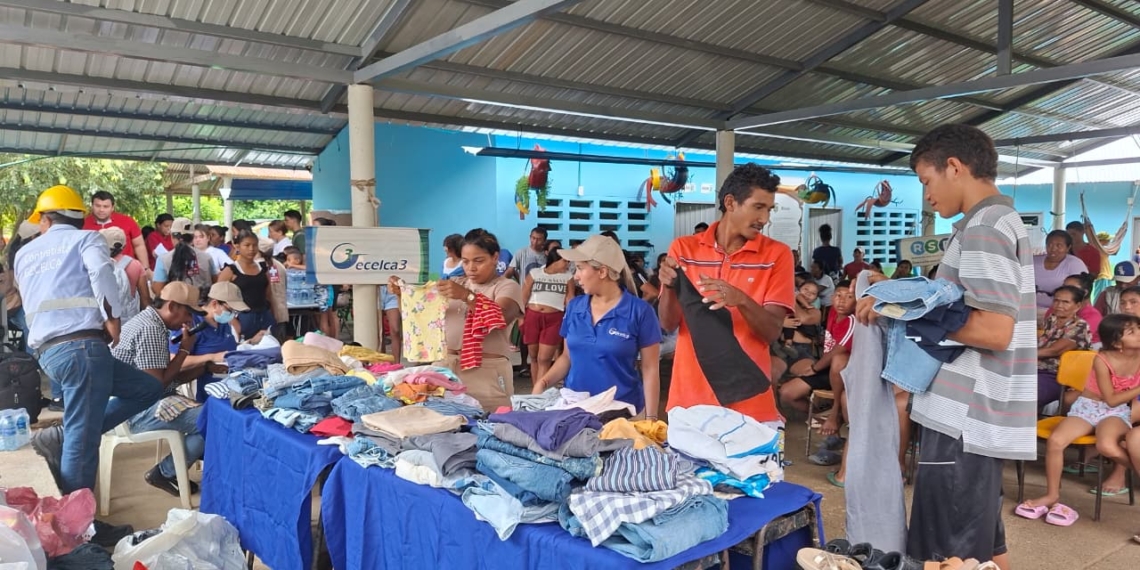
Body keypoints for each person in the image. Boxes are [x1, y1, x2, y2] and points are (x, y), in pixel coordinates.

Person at [856, 124, 1036, 567]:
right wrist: (902, 293)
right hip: (973, 418)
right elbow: (962, 304)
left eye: (926, 181)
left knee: (948, 557)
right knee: (983, 549)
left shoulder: (985, 227)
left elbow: (994, 330)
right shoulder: (995, 221)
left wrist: (899, 309)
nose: (927, 196)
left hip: (963, 419)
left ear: (954, 167)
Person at [22, 185, 162, 546]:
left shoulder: (24, 253)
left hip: (51, 353)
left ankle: (71, 434)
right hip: (84, 348)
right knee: (82, 446)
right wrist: (112, 317)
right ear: (78, 216)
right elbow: (101, 274)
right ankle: (80, 530)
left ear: (46, 218)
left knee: (148, 388)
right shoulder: (87, 239)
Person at [657, 163, 794, 424]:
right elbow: (668, 323)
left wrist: (740, 299)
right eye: (758, 207)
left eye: (769, 209)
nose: (764, 219)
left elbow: (771, 332)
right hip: (690, 400)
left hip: (751, 404)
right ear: (730, 203)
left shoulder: (778, 255)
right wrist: (670, 288)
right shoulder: (683, 249)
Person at [1019, 314, 1140, 523]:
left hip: (1116, 412)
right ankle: (1052, 494)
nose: (1139, 333)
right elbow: (1110, 399)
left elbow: (1115, 406)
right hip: (1088, 408)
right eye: (1132, 332)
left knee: (1106, 446)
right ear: (1116, 342)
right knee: (1056, 441)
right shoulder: (1101, 359)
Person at [389, 229, 523, 411]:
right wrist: (402, 294)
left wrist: (467, 296)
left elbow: (500, 317)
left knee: (490, 421)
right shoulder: (456, 283)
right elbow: (421, 315)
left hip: (487, 373)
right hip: (446, 370)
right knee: (446, 423)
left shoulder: (506, 286)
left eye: (479, 261)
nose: (471, 268)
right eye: (465, 261)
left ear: (495, 257)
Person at [535, 235, 662, 417]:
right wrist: (543, 382)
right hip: (576, 412)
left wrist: (651, 418)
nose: (575, 276)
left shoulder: (640, 312)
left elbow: (650, 369)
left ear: (602, 272)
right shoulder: (575, 307)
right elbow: (567, 357)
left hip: (622, 412)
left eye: (580, 268)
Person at [112, 282, 214, 497]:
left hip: (136, 402)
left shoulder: (150, 322)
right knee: (213, 420)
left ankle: (172, 469)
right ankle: (165, 472)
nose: (189, 321)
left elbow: (165, 378)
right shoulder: (151, 329)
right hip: (134, 412)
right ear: (172, 306)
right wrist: (184, 350)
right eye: (187, 313)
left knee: (210, 416)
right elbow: (155, 386)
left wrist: (203, 369)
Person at [779, 282, 854, 435]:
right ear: (832, 297)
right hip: (826, 368)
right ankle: (821, 414)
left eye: (849, 297)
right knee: (786, 393)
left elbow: (838, 350)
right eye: (838, 295)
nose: (842, 301)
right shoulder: (833, 312)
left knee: (838, 360)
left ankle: (834, 414)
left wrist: (815, 368)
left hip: (843, 372)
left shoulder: (852, 320)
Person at [169, 282, 249, 402]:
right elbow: (174, 361)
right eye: (230, 310)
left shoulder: (223, 323)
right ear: (215, 304)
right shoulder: (191, 323)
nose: (233, 315)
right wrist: (212, 357)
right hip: (202, 388)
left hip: (229, 382)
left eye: (235, 312)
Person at [521, 248, 574, 382]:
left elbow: (570, 298)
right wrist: (520, 317)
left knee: (544, 358)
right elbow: (524, 296)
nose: (567, 264)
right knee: (533, 356)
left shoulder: (568, 277)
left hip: (554, 318)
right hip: (532, 316)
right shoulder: (535, 273)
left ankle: (540, 390)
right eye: (565, 261)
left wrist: (571, 319)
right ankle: (536, 389)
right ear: (555, 260)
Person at [1037, 285, 1093, 412]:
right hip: (1036, 369)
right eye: (1056, 300)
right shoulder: (1051, 319)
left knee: (1029, 393)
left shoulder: (1080, 326)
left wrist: (1025, 354)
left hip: (1057, 375)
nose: (1059, 305)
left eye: (1065, 302)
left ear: (1077, 306)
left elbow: (1054, 350)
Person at [217, 230, 278, 336]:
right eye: (247, 245)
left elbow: (269, 295)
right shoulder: (230, 270)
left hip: (265, 315)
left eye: (255, 245)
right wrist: (231, 319)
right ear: (237, 246)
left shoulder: (263, 267)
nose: (251, 249)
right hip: (243, 318)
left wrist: (274, 315)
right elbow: (217, 297)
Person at [152, 218, 215, 304]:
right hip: (202, 307)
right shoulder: (206, 257)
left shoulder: (163, 259)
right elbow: (215, 282)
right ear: (192, 237)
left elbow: (158, 289)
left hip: (176, 308)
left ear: (172, 236)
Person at [83, 191, 149, 270]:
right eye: (98, 206)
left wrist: (145, 268)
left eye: (106, 206)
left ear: (112, 207)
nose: (101, 210)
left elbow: (139, 245)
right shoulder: (83, 224)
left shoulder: (127, 221)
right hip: (95, 271)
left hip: (127, 269)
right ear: (92, 206)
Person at [99, 227, 149, 324]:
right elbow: (145, 299)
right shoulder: (135, 265)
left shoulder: (96, 264)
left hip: (103, 321)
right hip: (128, 321)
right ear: (124, 245)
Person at [1034, 230, 1086, 315]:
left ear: (1068, 247)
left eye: (1059, 245)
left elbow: (1080, 292)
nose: (1053, 249)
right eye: (1050, 245)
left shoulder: (1075, 264)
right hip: (1030, 309)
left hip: (1062, 313)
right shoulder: (1034, 261)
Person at [377, 285, 400, 358]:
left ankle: (397, 363)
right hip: (375, 289)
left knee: (395, 330)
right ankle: (382, 362)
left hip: (392, 289)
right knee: (379, 332)